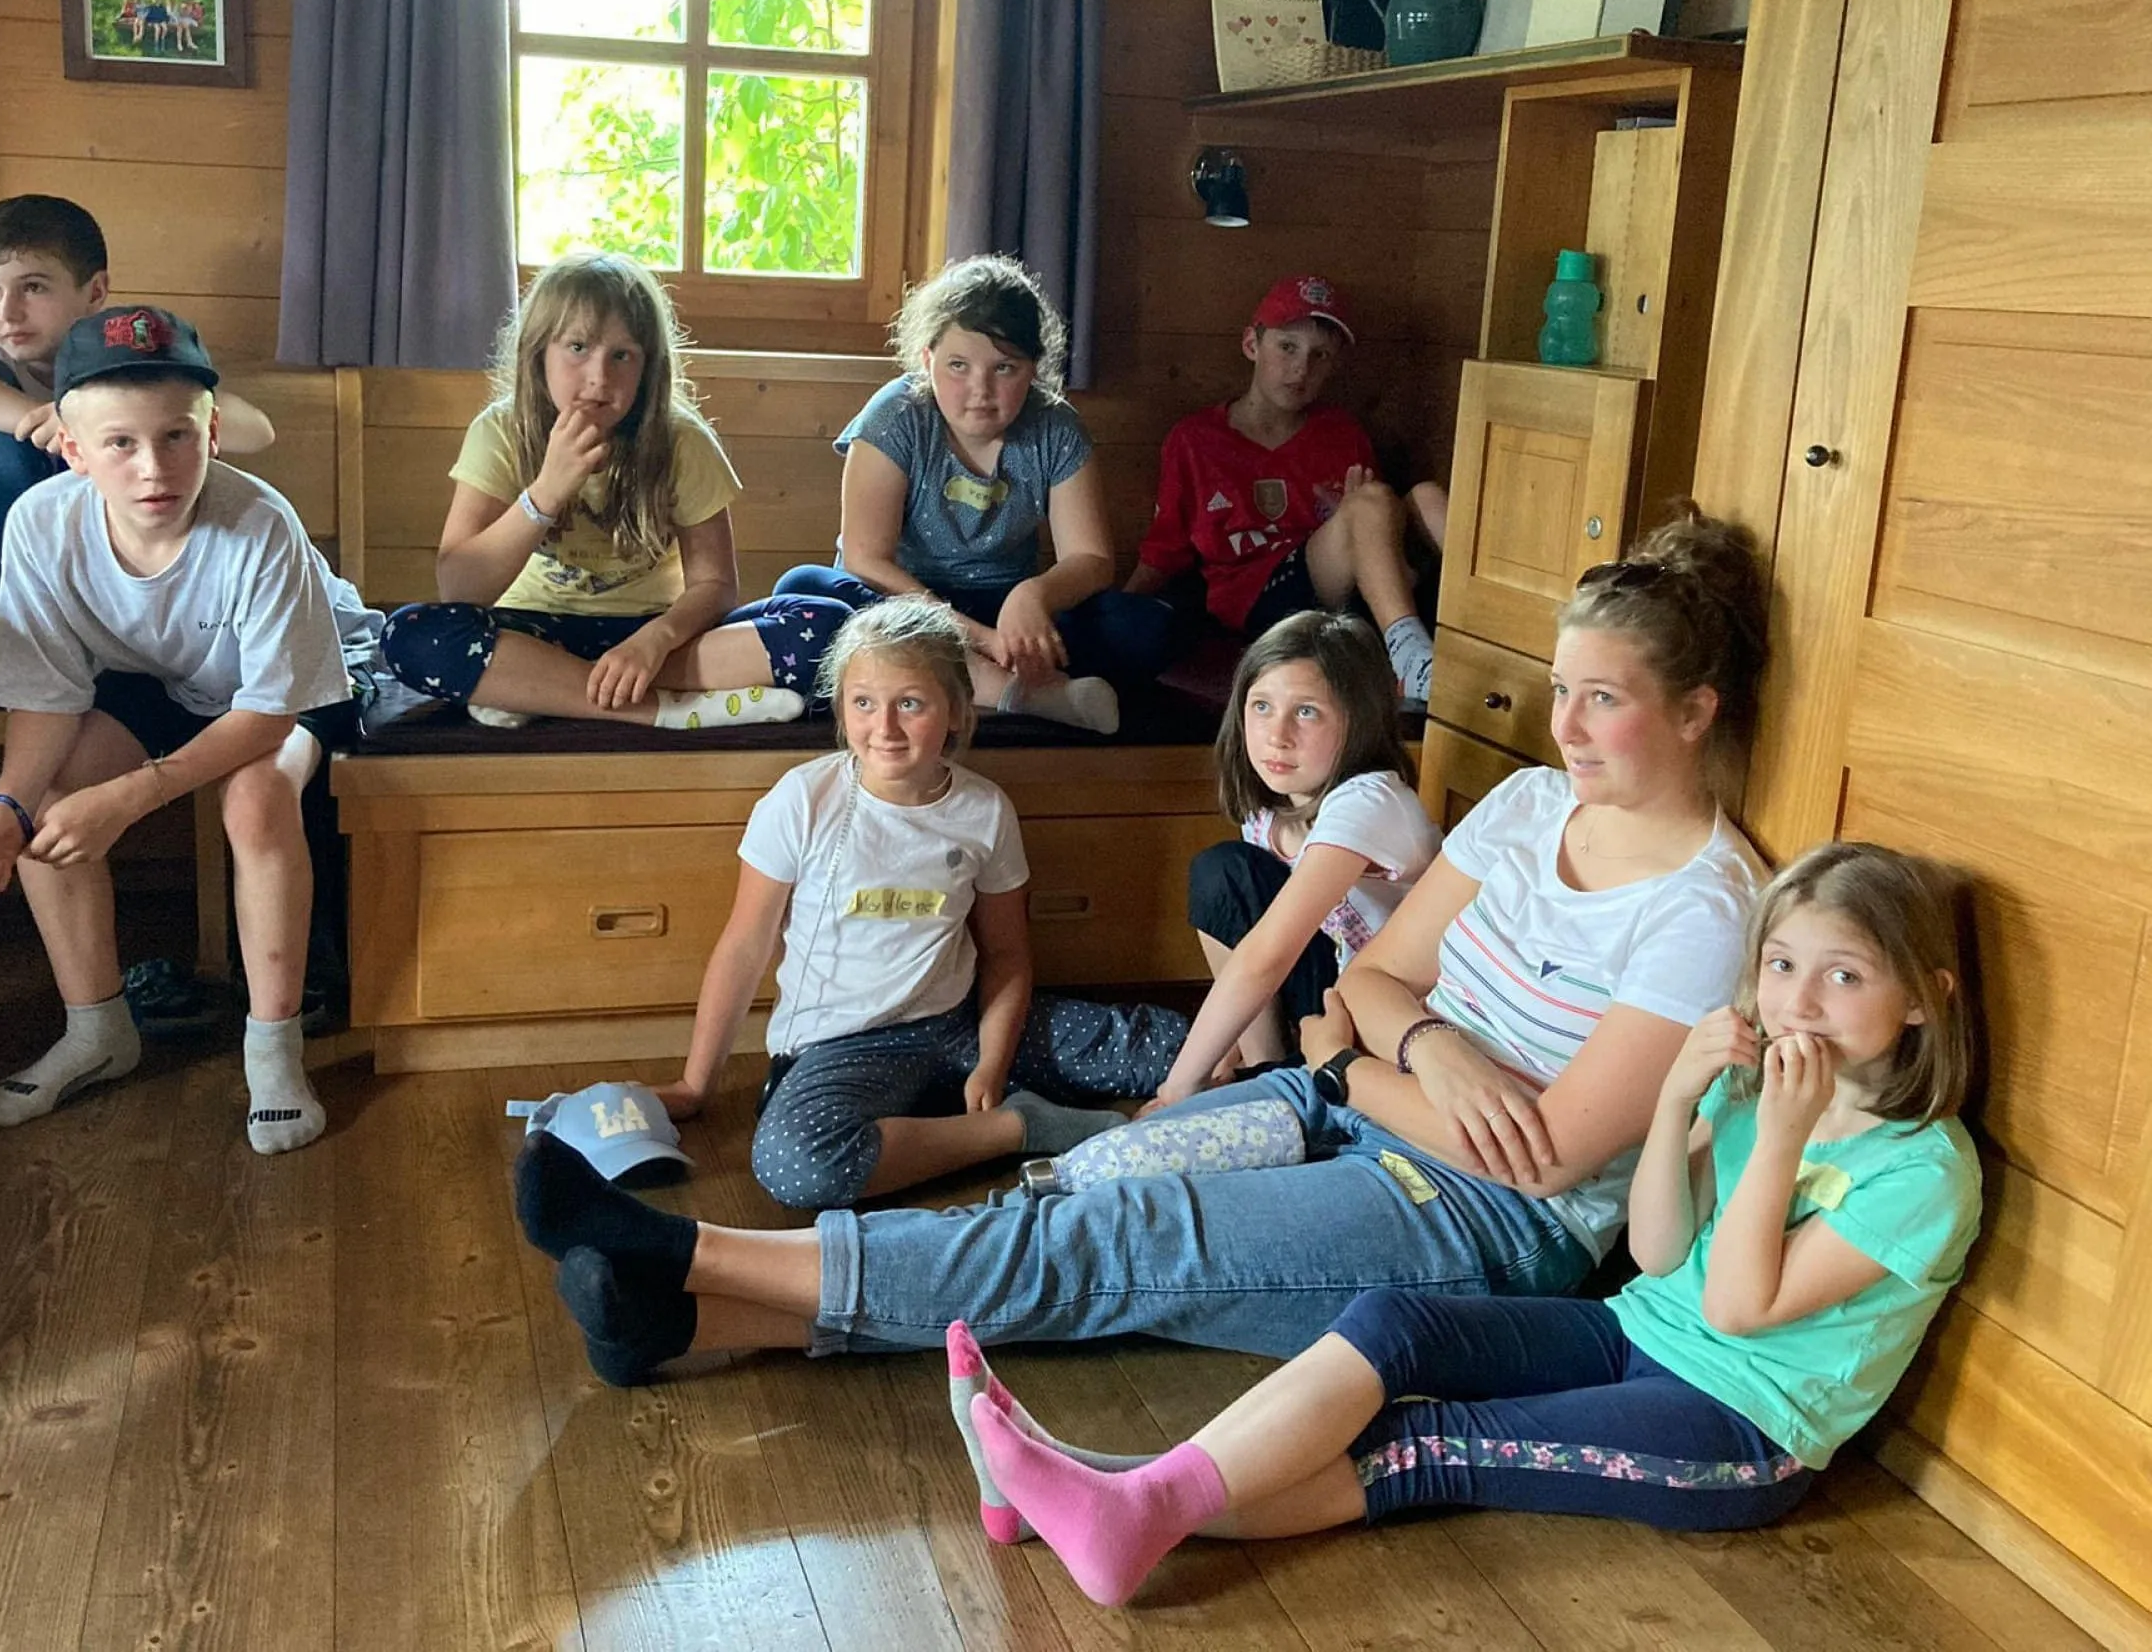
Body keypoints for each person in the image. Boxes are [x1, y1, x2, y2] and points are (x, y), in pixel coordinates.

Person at [510, 511, 1772, 1384]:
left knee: (1125, 1247)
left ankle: (687, 1255)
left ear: (1695, 711)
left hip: (1475, 1218)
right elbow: (1380, 976)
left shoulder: (1708, 908)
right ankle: (682, 1327)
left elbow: (1544, 1162)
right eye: (1564, 689)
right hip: (1365, 1099)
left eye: (1603, 699)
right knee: (1079, 1188)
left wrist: (1350, 1064)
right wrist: (1424, 1048)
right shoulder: (1530, 806)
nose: (1566, 726)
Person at [957, 841, 1983, 1605]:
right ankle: (1092, 1498)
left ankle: (1119, 1504)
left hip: (1739, 1426)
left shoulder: (1923, 1171)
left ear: (1922, 1000)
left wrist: (1782, 1138)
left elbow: (1737, 1308)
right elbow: (1659, 1250)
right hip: (1634, 1333)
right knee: (1395, 1321)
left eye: (1844, 975)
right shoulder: (1755, 1091)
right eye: (1781, 966)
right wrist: (1679, 1101)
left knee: (1429, 1443)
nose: (1799, 1001)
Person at [0, 306, 382, 1156]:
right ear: (74, 450)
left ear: (211, 433)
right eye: (120, 444)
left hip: (294, 682)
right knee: (50, 803)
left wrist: (133, 796)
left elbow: (269, 711)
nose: (154, 468)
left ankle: (273, 1048)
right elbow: (46, 696)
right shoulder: (40, 525)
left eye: (177, 436)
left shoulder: (260, 523)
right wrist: (5, 807)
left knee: (255, 800)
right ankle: (97, 1030)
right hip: (163, 679)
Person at [652, 596, 1188, 1232]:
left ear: (957, 710)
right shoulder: (803, 800)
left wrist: (992, 1063)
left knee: (1180, 1047)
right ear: (841, 706)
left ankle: (1258, 1103)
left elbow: (1007, 955)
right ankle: (1017, 1127)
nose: (884, 727)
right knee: (797, 1166)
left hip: (961, 1025)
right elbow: (745, 948)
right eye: (863, 703)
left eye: (910, 703)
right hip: (845, 1046)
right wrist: (695, 1085)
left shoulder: (985, 810)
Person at [380, 252, 848, 731]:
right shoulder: (501, 431)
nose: (599, 377)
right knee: (410, 635)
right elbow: (460, 588)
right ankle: (666, 710)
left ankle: (537, 689)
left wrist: (654, 641)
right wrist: (545, 492)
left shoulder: (681, 440)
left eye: (621, 356)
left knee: (831, 627)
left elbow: (715, 585)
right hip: (530, 631)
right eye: (577, 347)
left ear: (648, 368)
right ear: (538, 353)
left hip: (658, 637)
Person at [776, 255, 1173, 736]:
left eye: (1004, 368)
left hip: (1004, 610)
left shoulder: (1057, 428)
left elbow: (1090, 558)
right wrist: (978, 638)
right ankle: (1021, 692)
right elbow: (865, 559)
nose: (979, 390)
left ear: (1033, 369)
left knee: (1148, 627)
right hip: (903, 604)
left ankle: (967, 677)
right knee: (807, 589)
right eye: (958, 366)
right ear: (928, 360)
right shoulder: (896, 416)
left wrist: (1034, 595)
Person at [0, 194, 277, 656]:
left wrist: (94, 415)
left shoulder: (122, 362)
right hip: (2, 596)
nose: (8, 312)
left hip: (123, 597)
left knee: (150, 418)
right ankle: (56, 625)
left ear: (94, 292)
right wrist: (52, 419)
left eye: (33, 287)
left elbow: (257, 430)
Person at [1143, 609, 1438, 1095]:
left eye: (1306, 712)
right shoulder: (1268, 809)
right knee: (1225, 873)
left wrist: (1175, 1091)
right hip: (1331, 990)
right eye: (1261, 706)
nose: (1277, 735)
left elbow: (1268, 954)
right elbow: (1248, 939)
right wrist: (1219, 1056)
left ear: (1358, 720)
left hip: (1388, 1011)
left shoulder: (1370, 802)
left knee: (1234, 879)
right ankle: (1268, 1068)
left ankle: (1274, 1082)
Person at [1125, 275, 1446, 710]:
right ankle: (1408, 658)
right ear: (1252, 345)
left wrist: (1360, 517)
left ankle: (1503, 636)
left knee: (1424, 496)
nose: (1301, 369)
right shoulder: (1195, 439)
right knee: (1369, 505)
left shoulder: (1342, 433)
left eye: (1320, 355)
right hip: (1258, 599)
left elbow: (1377, 537)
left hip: (1348, 587)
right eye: (1287, 347)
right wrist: (1119, 610)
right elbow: (1165, 551)